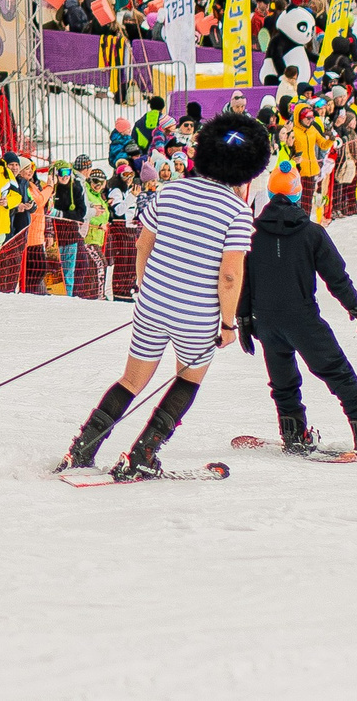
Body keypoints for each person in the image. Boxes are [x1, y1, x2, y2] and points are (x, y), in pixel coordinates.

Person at [57, 113, 270, 479]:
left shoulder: (169, 191)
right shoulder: (236, 211)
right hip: (197, 315)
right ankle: (144, 453)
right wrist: (228, 324)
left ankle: (83, 449)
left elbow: (144, 243)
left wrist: (146, 287)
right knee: (187, 379)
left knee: (131, 379)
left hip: (152, 306)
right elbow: (231, 275)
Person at [236, 166, 357, 457]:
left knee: (283, 384)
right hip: (303, 322)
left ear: (270, 194)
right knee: (339, 376)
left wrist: (244, 320)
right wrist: (354, 305)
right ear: (299, 194)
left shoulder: (252, 236)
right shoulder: (311, 233)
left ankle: (294, 435)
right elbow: (336, 275)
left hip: (268, 323)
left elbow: (243, 282)